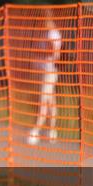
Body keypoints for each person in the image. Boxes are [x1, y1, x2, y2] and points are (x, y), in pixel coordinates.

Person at [28, 11, 63, 145]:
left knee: (44, 101)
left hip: (49, 72)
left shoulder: (53, 34)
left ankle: (36, 131)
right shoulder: (45, 33)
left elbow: (55, 54)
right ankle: (52, 131)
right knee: (50, 102)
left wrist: (39, 52)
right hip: (44, 72)